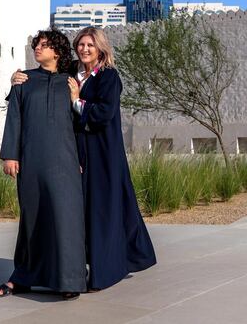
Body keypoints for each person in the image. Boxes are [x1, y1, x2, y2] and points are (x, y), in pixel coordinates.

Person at [11, 26, 156, 291]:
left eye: (90, 45)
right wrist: (18, 77)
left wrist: (78, 101)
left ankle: (104, 272)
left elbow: (103, 113)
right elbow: (46, 80)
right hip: (76, 154)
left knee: (103, 211)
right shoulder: (72, 74)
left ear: (100, 48)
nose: (84, 49)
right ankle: (73, 267)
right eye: (81, 44)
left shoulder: (108, 77)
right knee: (81, 213)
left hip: (102, 154)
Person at [0, 29, 87, 300]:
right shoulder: (24, 80)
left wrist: (81, 158)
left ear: (57, 51)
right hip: (32, 160)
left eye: (44, 45)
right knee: (32, 219)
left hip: (66, 161)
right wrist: (10, 155)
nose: (38, 48)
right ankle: (22, 277)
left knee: (66, 218)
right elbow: (14, 119)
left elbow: (81, 125)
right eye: (37, 45)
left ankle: (70, 280)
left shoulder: (71, 81)